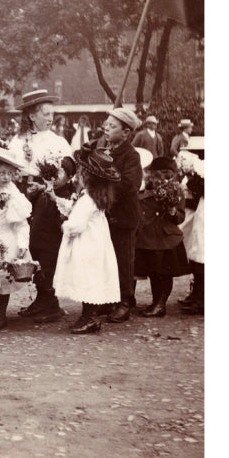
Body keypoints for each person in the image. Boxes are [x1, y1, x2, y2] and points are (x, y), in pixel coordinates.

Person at [8, 89, 74, 324]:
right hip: (25, 197)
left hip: (49, 200)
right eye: (46, 113)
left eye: (52, 113)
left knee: (47, 245)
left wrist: (49, 185)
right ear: (32, 116)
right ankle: (41, 297)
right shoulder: (17, 141)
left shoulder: (58, 141)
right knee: (30, 245)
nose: (50, 118)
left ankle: (50, 300)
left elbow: (68, 171)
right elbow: (12, 170)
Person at [53, 146, 122, 334]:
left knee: (86, 278)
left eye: (81, 173)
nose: (78, 177)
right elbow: (75, 209)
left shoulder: (87, 199)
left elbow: (76, 225)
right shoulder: (93, 196)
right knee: (89, 278)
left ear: (88, 177)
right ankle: (88, 315)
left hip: (87, 245)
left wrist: (64, 226)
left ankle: (90, 317)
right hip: (95, 243)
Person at [98, 107, 144, 323]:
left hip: (124, 217)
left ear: (126, 132)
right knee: (108, 259)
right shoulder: (106, 151)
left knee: (124, 260)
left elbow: (129, 184)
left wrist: (104, 187)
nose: (106, 129)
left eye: (112, 126)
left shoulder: (131, 156)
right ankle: (111, 299)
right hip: (106, 216)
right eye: (106, 125)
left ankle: (125, 302)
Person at [0, 145, 32, 330]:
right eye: (2, 172)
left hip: (7, 238)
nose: (6, 177)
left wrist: (22, 243)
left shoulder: (13, 191)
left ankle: (1, 314)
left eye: (10, 173)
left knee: (4, 279)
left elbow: (21, 222)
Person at [134, 156, 189, 317]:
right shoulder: (144, 188)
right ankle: (155, 303)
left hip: (166, 239)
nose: (165, 178)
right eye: (161, 174)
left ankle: (160, 304)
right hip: (148, 237)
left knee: (164, 273)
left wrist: (172, 211)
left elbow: (180, 217)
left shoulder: (176, 190)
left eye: (168, 174)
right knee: (153, 272)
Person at [177, 149, 205, 315]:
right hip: (201, 212)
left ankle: (201, 299)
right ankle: (197, 294)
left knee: (202, 254)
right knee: (197, 253)